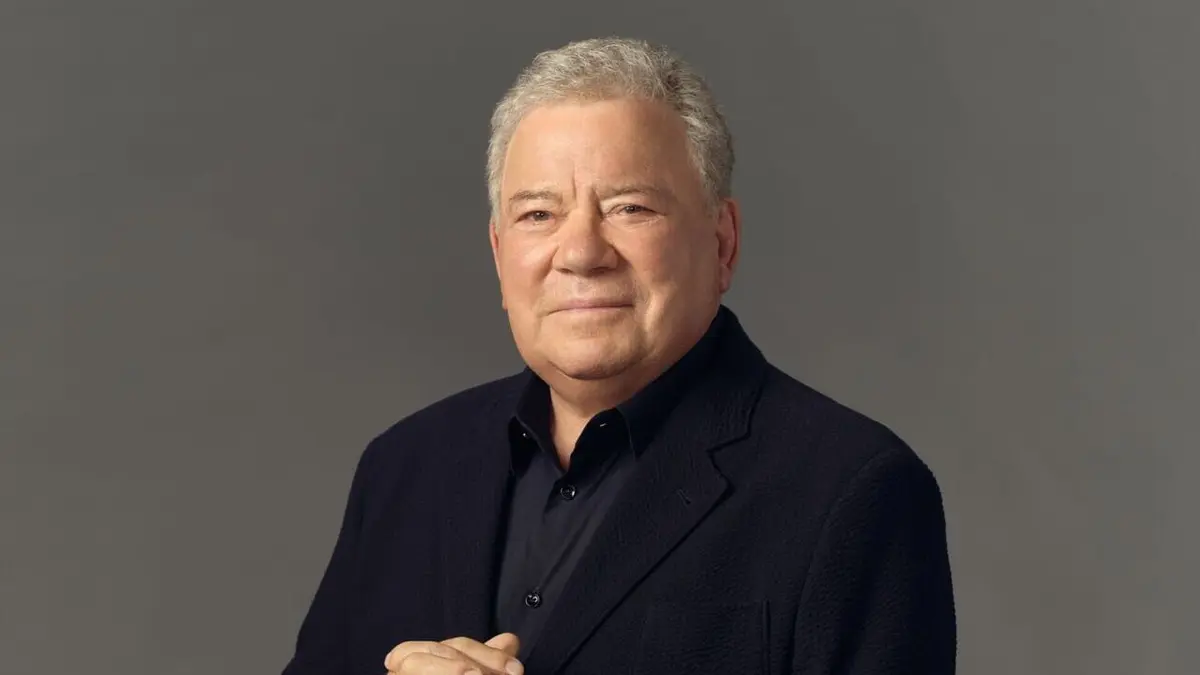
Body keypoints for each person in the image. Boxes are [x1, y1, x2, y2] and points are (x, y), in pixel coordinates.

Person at [281, 36, 956, 675]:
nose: (581, 253)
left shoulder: (853, 491)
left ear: (722, 242)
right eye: (538, 214)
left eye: (630, 208)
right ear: (499, 253)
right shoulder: (403, 468)